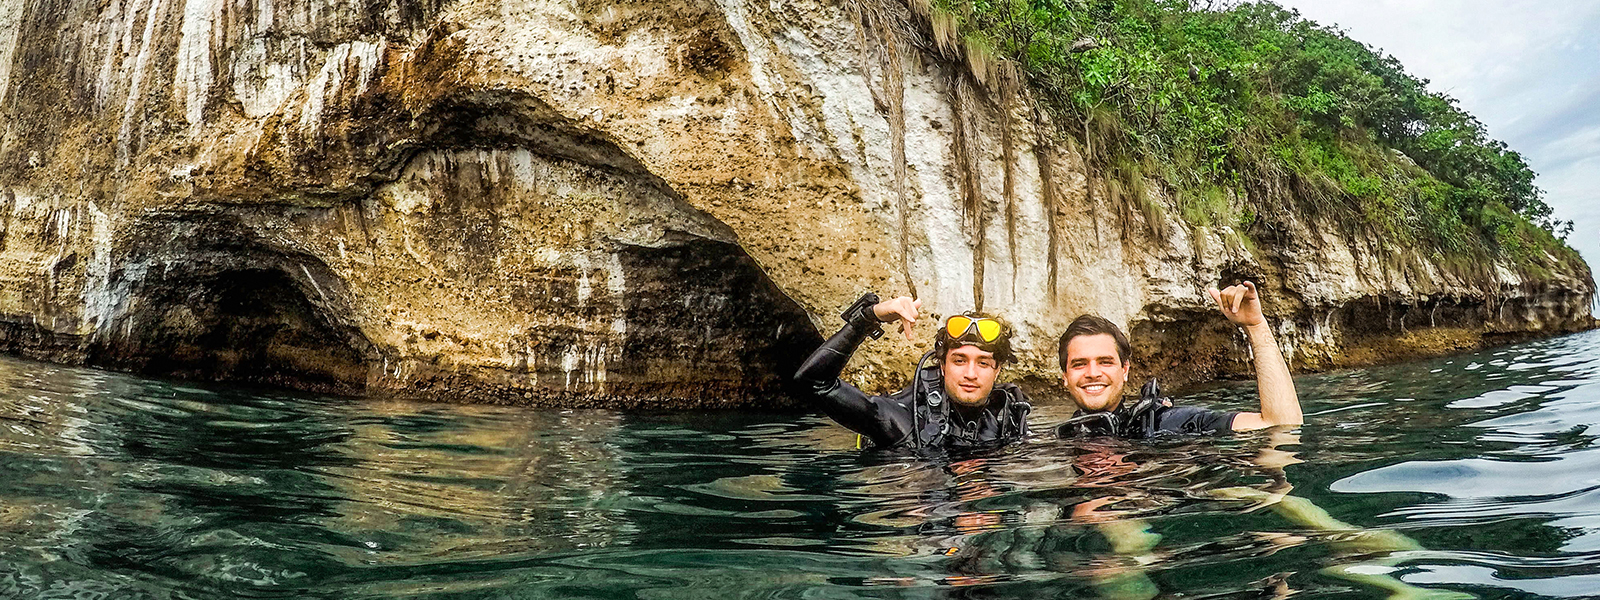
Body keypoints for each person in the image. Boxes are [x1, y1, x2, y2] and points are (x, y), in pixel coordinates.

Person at [1057, 281, 1302, 437]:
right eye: (1079, 364)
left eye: (1105, 362)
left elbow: (1281, 426)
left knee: (1278, 496)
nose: (1092, 372)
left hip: (1171, 497)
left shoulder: (1170, 423)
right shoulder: (1051, 440)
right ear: (1065, 378)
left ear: (1125, 370)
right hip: (1107, 511)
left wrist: (1256, 326)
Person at [794, 292, 1031, 450]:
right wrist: (868, 318)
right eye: (959, 361)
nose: (971, 373)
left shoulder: (1009, 419)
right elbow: (813, 382)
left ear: (997, 369)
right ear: (942, 365)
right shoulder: (902, 421)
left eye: (983, 363)